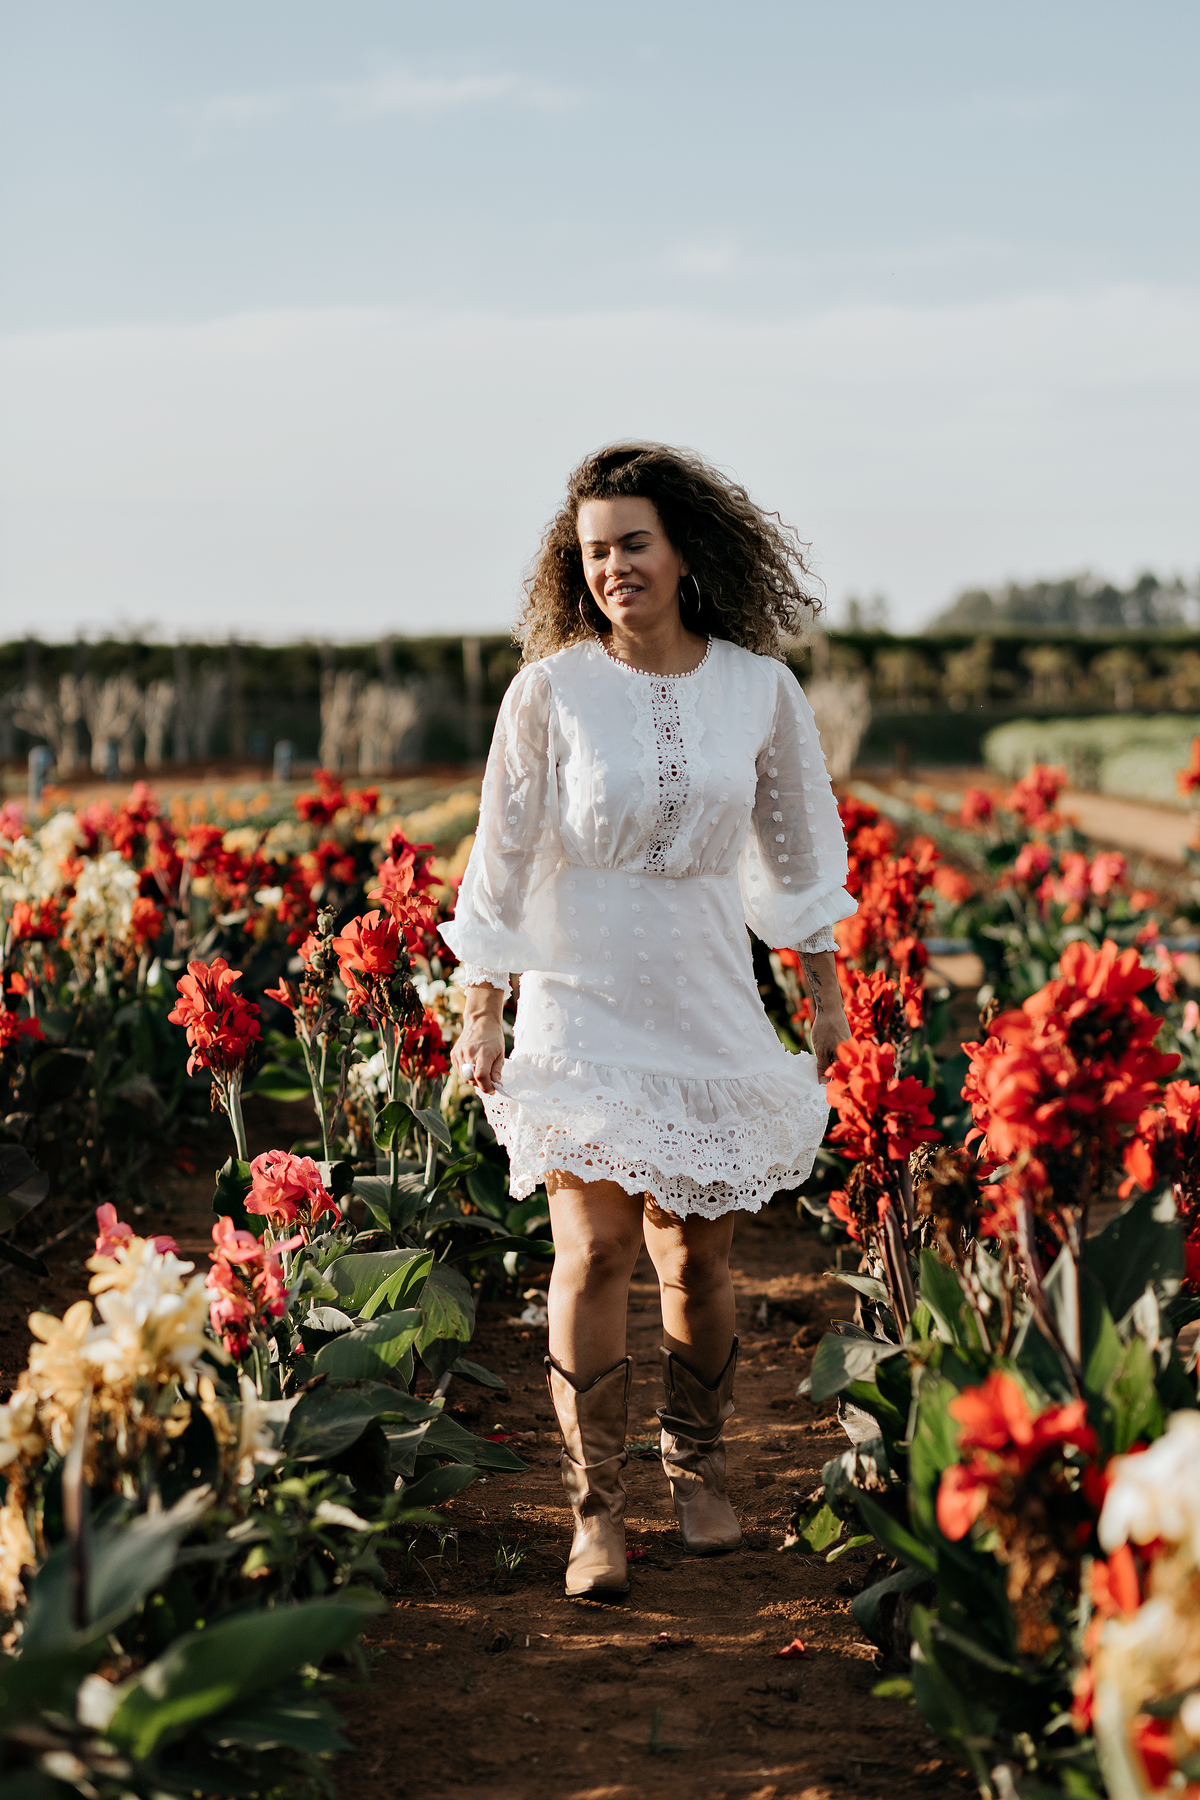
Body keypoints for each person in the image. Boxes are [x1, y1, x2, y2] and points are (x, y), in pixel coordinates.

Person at [441, 442, 854, 1601]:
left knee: (698, 1256)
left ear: (683, 554)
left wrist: (824, 996)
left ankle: (699, 1466)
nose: (614, 566)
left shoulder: (760, 690)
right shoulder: (551, 692)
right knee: (592, 1251)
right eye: (593, 552)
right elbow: (501, 859)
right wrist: (482, 1004)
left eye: (634, 543)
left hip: (708, 995)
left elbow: (800, 857)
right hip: (580, 1000)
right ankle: (596, 1512)